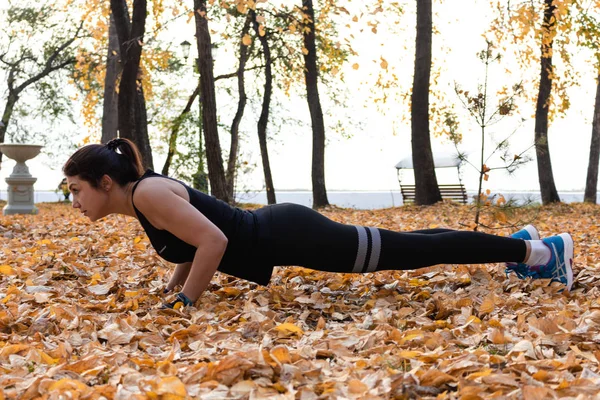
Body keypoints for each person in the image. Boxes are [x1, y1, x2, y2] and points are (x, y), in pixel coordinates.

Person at [63, 138, 575, 308]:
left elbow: (213, 242)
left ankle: (542, 252)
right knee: (415, 243)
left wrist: (187, 302)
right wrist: (172, 288)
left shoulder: (148, 193)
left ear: (104, 182)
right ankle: (520, 244)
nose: (74, 203)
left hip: (291, 234)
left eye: (76, 191)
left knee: (417, 250)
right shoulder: (144, 198)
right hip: (285, 232)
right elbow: (188, 243)